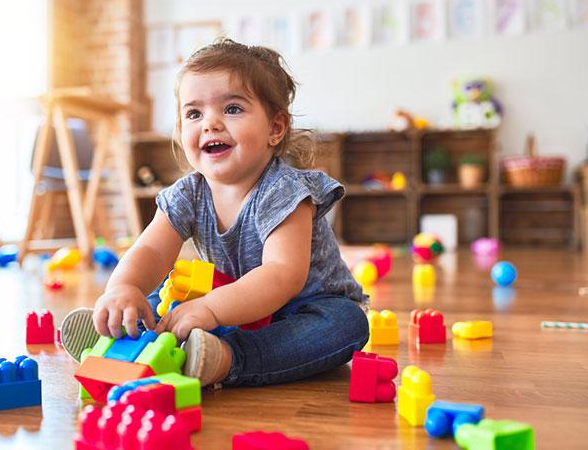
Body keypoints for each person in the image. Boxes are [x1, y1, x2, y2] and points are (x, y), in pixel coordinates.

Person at [61, 38, 368, 388]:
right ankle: (120, 335)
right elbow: (151, 250)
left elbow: (282, 275)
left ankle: (224, 359)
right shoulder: (188, 193)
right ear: (180, 131)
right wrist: (124, 288)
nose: (210, 123)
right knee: (161, 289)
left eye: (232, 109)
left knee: (346, 324)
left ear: (275, 128)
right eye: (194, 113)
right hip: (232, 303)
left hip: (301, 309)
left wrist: (211, 309)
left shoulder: (285, 191)